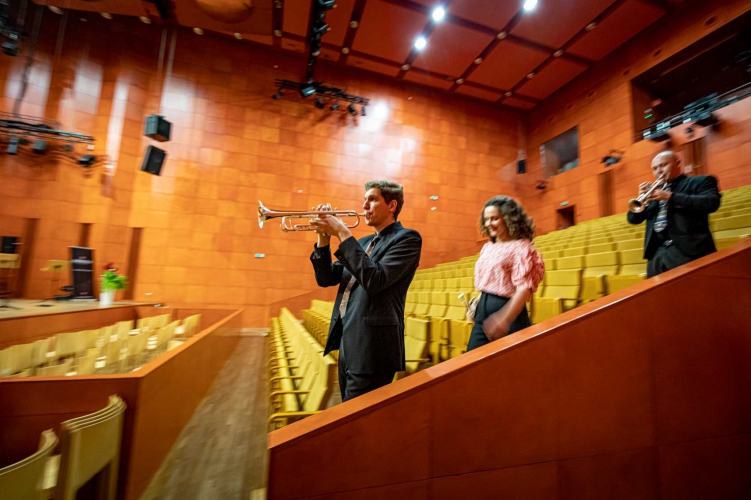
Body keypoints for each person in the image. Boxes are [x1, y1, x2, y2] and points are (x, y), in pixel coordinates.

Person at [308, 181, 422, 402]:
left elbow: (375, 280)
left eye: (372, 199)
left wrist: (342, 231)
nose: (364, 205)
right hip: (348, 341)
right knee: (349, 412)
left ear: (392, 205)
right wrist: (323, 239)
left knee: (357, 419)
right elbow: (326, 278)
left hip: (373, 349)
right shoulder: (363, 242)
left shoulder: (407, 239)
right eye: (364, 200)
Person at [467, 196, 545, 351]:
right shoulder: (488, 247)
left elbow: (524, 289)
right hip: (483, 315)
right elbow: (490, 283)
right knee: (471, 360)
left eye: (494, 219)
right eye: (486, 219)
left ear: (508, 219)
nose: (489, 224)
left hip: (509, 315)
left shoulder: (521, 247)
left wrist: (504, 319)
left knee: (512, 363)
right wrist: (477, 304)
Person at [627, 151, 721, 278]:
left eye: (663, 165)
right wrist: (642, 199)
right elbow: (633, 219)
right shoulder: (653, 193)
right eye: (655, 168)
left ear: (677, 163)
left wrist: (670, 197)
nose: (659, 171)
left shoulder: (701, 181)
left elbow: (711, 203)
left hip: (688, 251)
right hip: (656, 254)